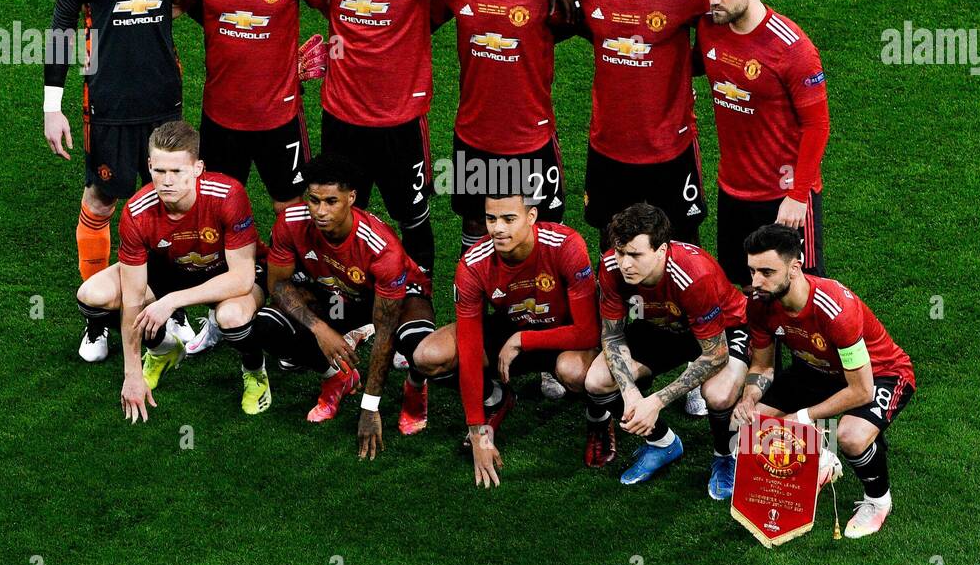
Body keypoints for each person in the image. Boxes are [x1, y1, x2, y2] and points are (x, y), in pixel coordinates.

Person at [173, 0, 572, 279]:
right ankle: (349, 290)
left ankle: (420, 291)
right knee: (339, 213)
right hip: (341, 119)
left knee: (413, 217)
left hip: (401, 123)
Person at [43, 0, 191, 361]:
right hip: (104, 103)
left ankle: (172, 306)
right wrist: (51, 105)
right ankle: (99, 319)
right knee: (101, 202)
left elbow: (215, 2)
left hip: (162, 103)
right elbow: (61, 29)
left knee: (171, 206)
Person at [172, 0, 327, 357]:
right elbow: (198, 11)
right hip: (220, 119)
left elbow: (342, 7)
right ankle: (225, 309)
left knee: (293, 215)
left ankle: (299, 309)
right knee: (216, 218)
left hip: (279, 119)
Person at [75, 121, 270, 422]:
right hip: (174, 269)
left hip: (228, 275)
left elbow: (241, 278)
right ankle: (163, 349)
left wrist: (172, 301)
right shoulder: (137, 212)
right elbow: (133, 298)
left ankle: (255, 371)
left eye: (177, 172)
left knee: (230, 317)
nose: (166, 181)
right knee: (92, 295)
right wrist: (132, 374)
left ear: (198, 168)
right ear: (149, 165)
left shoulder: (228, 195)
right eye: (159, 171)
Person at [734, 224, 916, 538]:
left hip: (881, 374)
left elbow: (861, 389)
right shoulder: (759, 304)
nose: (756, 282)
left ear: (794, 267)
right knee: (747, 431)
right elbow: (762, 367)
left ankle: (877, 500)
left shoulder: (835, 309)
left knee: (851, 436)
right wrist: (749, 397)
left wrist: (802, 418)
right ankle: (820, 460)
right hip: (815, 372)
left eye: (766, 271)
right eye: (752, 272)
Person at [255, 155, 438, 458]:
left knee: (415, 342)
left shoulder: (382, 248)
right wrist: (320, 329)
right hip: (338, 295)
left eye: (331, 201)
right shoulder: (291, 222)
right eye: (313, 200)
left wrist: (370, 407)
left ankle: (415, 385)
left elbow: (385, 331)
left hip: (396, 298)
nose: (320, 211)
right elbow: (278, 286)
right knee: (268, 324)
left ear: (351, 198)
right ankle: (337, 377)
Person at [412, 194, 600, 487]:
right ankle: (495, 398)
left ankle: (599, 421)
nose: (498, 229)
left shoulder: (566, 246)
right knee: (429, 355)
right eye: (491, 219)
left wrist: (522, 340)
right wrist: (477, 433)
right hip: (509, 331)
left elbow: (588, 331)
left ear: (532, 216)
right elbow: (471, 348)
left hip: (560, 337)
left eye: (509, 219)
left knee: (577, 374)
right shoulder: (473, 264)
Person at [430, 0, 573, 250]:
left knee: (544, 224)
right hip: (473, 133)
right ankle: (474, 295)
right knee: (476, 220)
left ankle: (539, 298)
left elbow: (573, 28)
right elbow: (421, 25)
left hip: (530, 136)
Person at [572, 0, 711, 251]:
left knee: (683, 235)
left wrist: (686, 67)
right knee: (610, 234)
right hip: (609, 144)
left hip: (670, 145)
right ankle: (613, 303)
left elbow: (719, 30)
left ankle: (684, 303)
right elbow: (582, 20)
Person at [585, 204, 751, 493]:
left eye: (635, 255)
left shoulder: (694, 275)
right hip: (664, 327)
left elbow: (715, 354)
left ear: (661, 251)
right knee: (597, 381)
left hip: (724, 330)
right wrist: (631, 393)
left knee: (718, 394)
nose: (624, 263)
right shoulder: (612, 266)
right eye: (621, 252)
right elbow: (612, 336)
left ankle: (725, 455)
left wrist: (656, 401)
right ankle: (662, 443)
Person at [696, 0, 830, 285]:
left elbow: (817, 125)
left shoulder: (792, 49)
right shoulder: (710, 27)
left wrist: (798, 196)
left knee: (801, 288)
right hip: (733, 190)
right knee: (742, 285)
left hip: (782, 196)